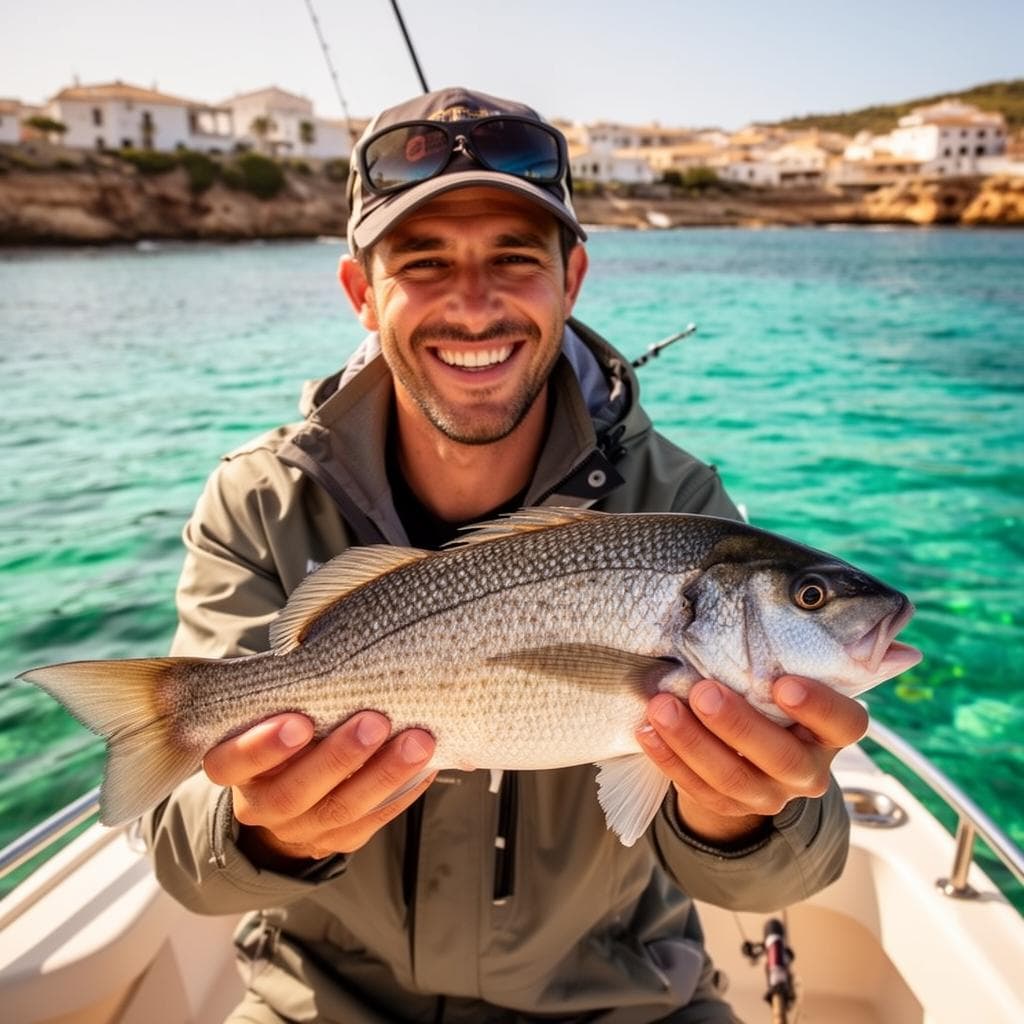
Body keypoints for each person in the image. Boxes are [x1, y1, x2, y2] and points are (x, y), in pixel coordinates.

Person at [144, 87, 867, 1024]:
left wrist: (740, 814)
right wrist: (261, 831)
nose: (473, 306)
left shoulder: (681, 507)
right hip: (322, 1002)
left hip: (620, 1006)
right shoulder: (257, 499)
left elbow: (778, 877)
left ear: (572, 280)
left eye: (515, 259)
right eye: (425, 261)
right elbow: (184, 865)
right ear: (363, 294)